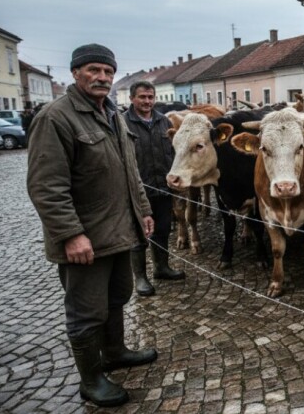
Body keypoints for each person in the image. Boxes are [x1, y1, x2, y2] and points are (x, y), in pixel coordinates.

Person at [26, 44, 157, 407]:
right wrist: (70, 234)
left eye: (108, 72)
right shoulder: (56, 117)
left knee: (118, 296)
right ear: (75, 73)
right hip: (85, 239)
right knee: (86, 311)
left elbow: (130, 171)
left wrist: (142, 210)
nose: (102, 77)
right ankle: (90, 379)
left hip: (120, 231)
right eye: (93, 70)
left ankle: (114, 351)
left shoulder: (113, 114)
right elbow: (46, 186)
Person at [124, 80, 185, 296]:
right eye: (142, 97)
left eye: (151, 97)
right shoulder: (123, 123)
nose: (147, 101)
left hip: (163, 188)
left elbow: (174, 152)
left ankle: (162, 268)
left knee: (163, 230)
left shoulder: (163, 121)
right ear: (132, 98)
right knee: (138, 235)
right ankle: (140, 277)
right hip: (136, 191)